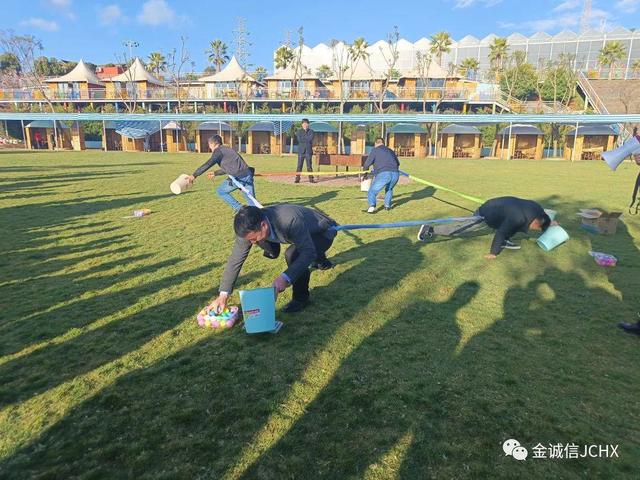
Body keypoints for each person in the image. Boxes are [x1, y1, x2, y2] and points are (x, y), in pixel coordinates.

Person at [209, 204, 336, 314]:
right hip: (298, 234)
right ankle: (321, 261)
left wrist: (286, 277)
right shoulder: (247, 228)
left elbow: (308, 253)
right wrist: (223, 295)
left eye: (253, 238)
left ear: (263, 225)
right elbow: (235, 259)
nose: (252, 243)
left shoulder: (289, 220)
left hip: (322, 231)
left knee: (293, 255)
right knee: (303, 252)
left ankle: (301, 299)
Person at [418, 196, 552, 259]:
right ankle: (429, 229)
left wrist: (551, 223)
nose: (534, 230)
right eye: (537, 229)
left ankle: (505, 242)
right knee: (462, 228)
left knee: (514, 226)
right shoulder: (519, 218)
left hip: (501, 209)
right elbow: (500, 233)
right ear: (536, 223)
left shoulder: (537, 209)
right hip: (487, 212)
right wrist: (493, 253)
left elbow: (544, 216)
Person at [187, 135, 257, 211]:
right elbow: (230, 167)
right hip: (247, 174)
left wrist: (194, 175)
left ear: (212, 144)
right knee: (252, 201)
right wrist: (215, 173)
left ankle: (239, 208)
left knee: (221, 191)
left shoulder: (218, 151)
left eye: (209, 145)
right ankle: (258, 216)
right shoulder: (228, 150)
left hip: (238, 177)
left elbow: (208, 164)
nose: (210, 147)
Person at [363, 138, 400, 213]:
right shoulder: (390, 150)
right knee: (389, 189)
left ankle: (371, 207)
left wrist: (365, 174)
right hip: (395, 174)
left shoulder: (375, 150)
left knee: (372, 191)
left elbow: (366, 164)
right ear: (383, 143)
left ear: (375, 143)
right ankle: (387, 206)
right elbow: (398, 163)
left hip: (384, 173)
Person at [295, 118, 315, 183]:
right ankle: (297, 178)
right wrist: (306, 138)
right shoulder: (299, 131)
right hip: (301, 151)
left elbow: (310, 139)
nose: (305, 125)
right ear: (302, 124)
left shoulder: (311, 131)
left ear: (308, 124)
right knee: (299, 166)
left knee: (309, 166)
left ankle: (311, 179)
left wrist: (303, 138)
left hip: (308, 152)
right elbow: (299, 140)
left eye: (306, 124)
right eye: (304, 124)